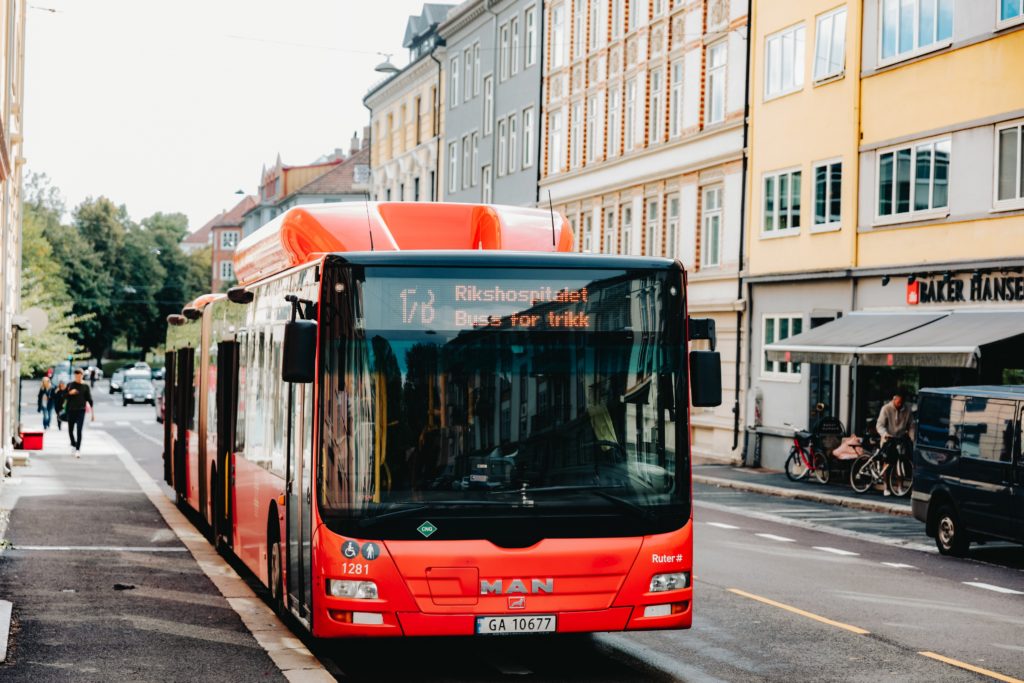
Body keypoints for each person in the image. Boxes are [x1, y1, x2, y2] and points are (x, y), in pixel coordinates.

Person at [875, 389, 915, 495]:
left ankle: (900, 486)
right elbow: (880, 425)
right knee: (887, 462)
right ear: (894, 399)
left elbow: (911, 426)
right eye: (898, 402)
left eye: (902, 402)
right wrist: (885, 434)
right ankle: (886, 486)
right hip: (888, 438)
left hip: (900, 439)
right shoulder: (886, 409)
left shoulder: (907, 410)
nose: (900, 404)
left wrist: (912, 438)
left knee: (900, 462)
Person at [65, 368, 95, 457]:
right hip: (71, 410)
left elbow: (90, 400)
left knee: (79, 430)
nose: (78, 378)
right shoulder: (70, 385)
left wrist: (93, 414)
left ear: (82, 375)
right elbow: (64, 396)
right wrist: (70, 393)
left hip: (81, 411)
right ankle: (73, 444)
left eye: (79, 376)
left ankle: (78, 449)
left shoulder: (85, 386)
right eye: (76, 376)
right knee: (70, 430)